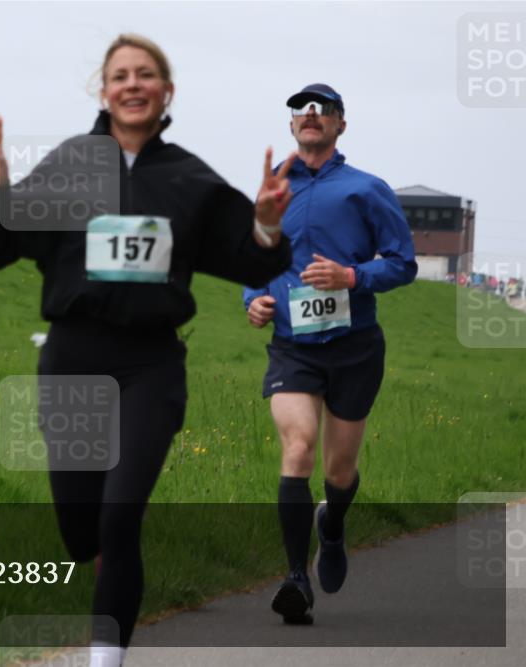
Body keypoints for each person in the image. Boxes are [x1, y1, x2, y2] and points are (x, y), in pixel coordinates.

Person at [0, 34, 295, 666]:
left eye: (146, 75)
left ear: (166, 91)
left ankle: (105, 658)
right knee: (79, 530)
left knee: (120, 519)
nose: (133, 85)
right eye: (120, 76)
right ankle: (95, 568)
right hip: (72, 361)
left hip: (150, 367)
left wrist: (267, 222)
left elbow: (249, 254)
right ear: (104, 90)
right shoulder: (69, 166)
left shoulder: (190, 179)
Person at [243, 83, 417, 625]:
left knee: (339, 470)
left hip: (354, 348)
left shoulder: (367, 188)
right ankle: (296, 578)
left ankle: (333, 525)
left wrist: (351, 276)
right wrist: (254, 300)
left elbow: (403, 262)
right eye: (301, 109)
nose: (311, 114)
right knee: (298, 446)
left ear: (342, 125)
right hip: (293, 348)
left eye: (324, 109)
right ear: (292, 125)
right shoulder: (273, 192)